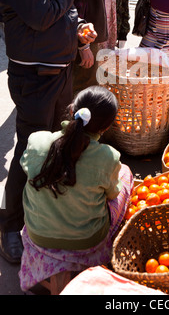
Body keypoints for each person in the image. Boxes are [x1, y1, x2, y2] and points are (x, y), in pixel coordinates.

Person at [0, 0, 97, 264]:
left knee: (52, 147)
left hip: (57, 72)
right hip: (34, 76)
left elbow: (57, 14)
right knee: (31, 150)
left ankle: (36, 217)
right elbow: (41, 15)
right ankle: (9, 226)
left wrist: (78, 30)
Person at [18, 86, 133, 292]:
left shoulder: (38, 140)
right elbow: (113, 194)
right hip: (86, 241)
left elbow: (28, 168)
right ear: (105, 128)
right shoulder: (108, 156)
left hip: (39, 233)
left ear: (72, 111)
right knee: (125, 174)